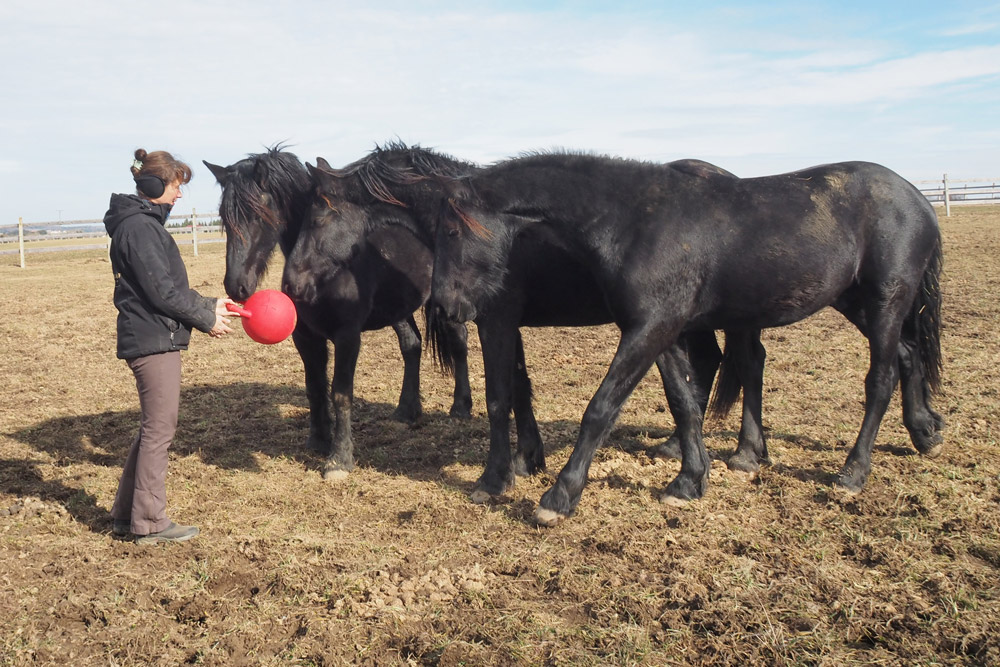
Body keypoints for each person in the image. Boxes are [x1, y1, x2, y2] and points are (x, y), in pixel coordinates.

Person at [103, 148, 240, 545]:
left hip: (152, 335)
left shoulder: (139, 225)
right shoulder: (140, 229)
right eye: (176, 186)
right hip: (152, 340)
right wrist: (205, 320)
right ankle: (149, 523)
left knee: (153, 428)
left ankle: (126, 515)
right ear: (152, 185)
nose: (180, 194)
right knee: (159, 431)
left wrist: (209, 304)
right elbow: (162, 293)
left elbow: (167, 288)